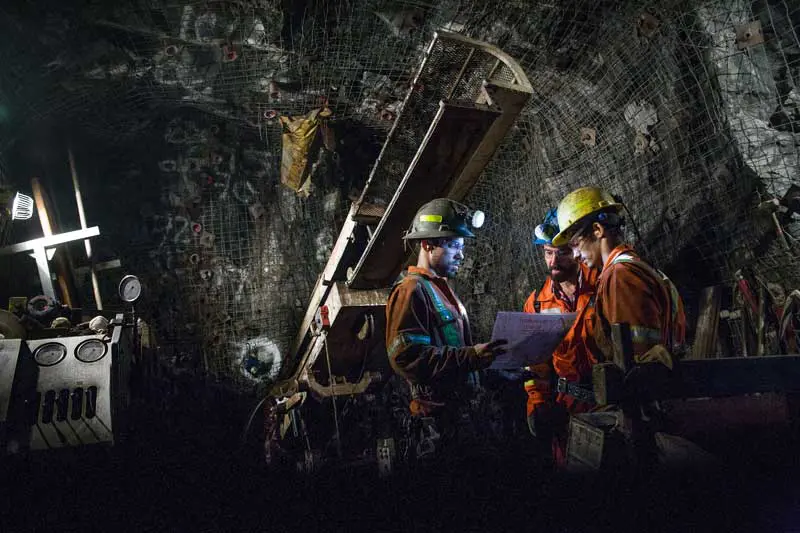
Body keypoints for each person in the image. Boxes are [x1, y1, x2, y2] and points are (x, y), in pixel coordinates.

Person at [551, 186, 687, 470]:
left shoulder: (620, 276)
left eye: (576, 243)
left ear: (598, 230)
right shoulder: (633, 266)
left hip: (644, 419)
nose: (574, 255)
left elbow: (637, 362)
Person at [385, 198, 507, 461]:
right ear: (428, 245)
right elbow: (407, 358)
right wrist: (471, 356)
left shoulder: (440, 289)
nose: (462, 255)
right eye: (454, 246)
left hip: (459, 418)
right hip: (435, 427)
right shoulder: (410, 291)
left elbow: (452, 348)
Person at [522, 208, 599, 467]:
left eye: (562, 252)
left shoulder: (604, 285)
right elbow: (536, 368)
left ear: (577, 248)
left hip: (613, 404)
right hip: (567, 412)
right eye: (547, 253)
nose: (553, 262)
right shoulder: (536, 305)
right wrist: (538, 406)